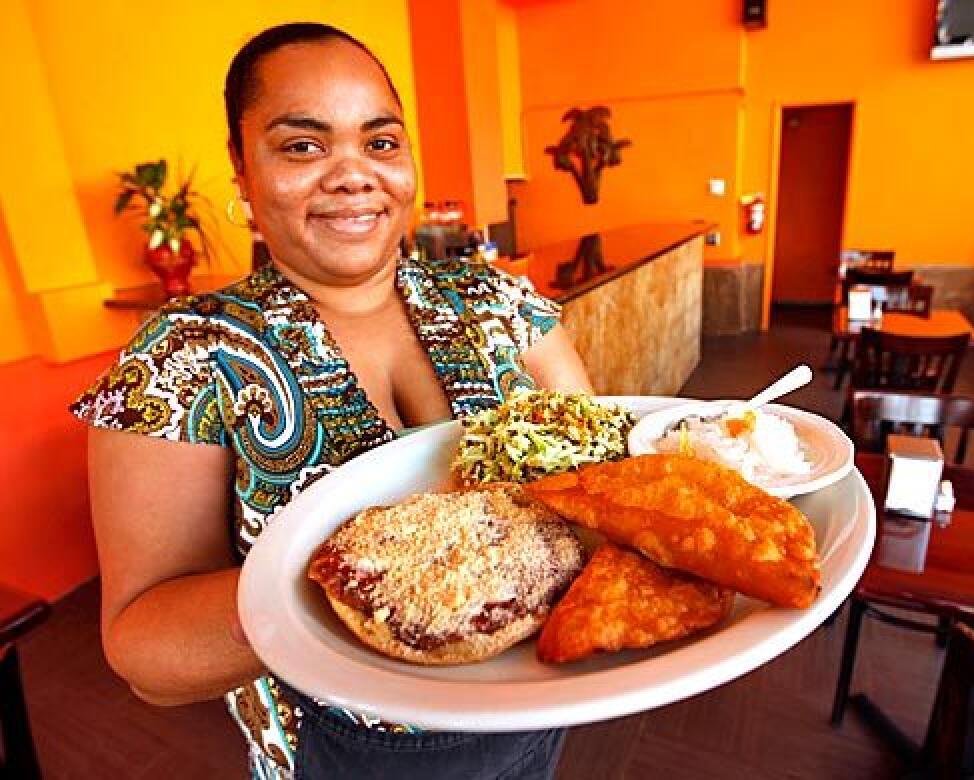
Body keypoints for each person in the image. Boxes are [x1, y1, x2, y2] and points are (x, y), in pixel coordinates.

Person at [71, 22, 592, 780]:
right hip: (348, 748)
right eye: (303, 146)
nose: (354, 175)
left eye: (380, 143)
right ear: (242, 170)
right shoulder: (184, 358)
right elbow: (144, 652)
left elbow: (603, 463)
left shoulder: (500, 304)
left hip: (541, 701)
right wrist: (360, 576)